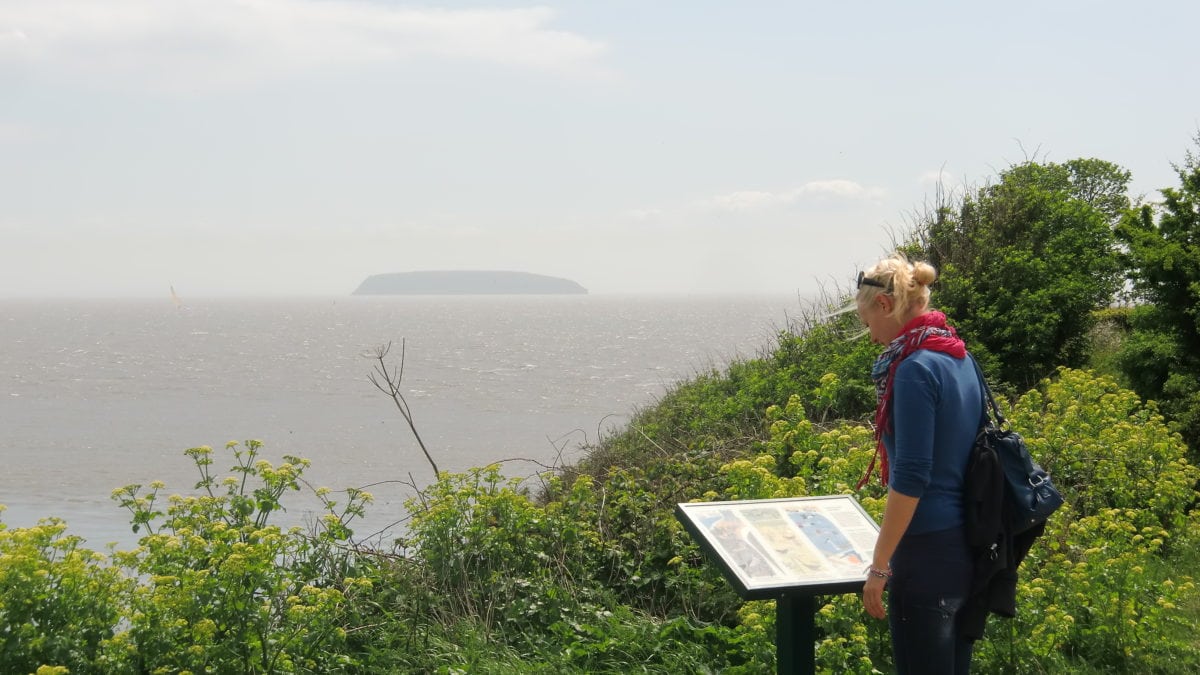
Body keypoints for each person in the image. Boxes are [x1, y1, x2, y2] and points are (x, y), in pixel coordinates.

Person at [855, 253, 983, 674]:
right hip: (966, 541)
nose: (870, 335)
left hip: (925, 549)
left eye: (866, 321)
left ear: (884, 306)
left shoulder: (913, 370)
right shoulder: (959, 357)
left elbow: (911, 478)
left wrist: (879, 565)